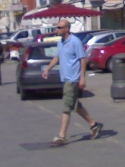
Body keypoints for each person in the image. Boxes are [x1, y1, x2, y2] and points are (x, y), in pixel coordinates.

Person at [42, 18, 103, 147]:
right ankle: (94, 125)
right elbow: (57, 57)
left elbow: (82, 60)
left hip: (73, 79)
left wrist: (82, 78)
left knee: (66, 108)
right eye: (57, 27)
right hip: (66, 78)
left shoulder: (75, 41)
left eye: (59, 27)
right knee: (75, 105)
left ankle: (61, 136)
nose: (56, 29)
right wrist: (48, 68)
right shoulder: (61, 42)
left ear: (67, 29)